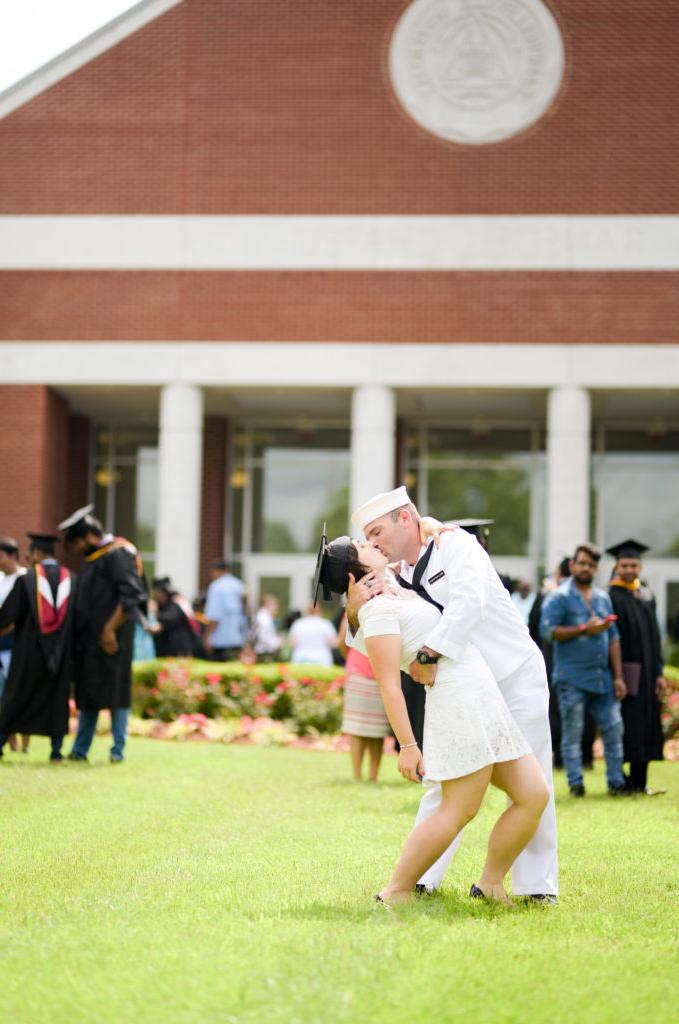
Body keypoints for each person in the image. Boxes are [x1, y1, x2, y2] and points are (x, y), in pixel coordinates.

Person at [346, 488, 558, 904]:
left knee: (534, 783)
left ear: (406, 519)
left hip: (512, 675)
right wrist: (353, 609)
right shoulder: (395, 573)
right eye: (366, 539)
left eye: (376, 532)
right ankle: (421, 881)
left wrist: (429, 652)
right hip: (463, 687)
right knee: (447, 786)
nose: (373, 544)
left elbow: (468, 603)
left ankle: (536, 887)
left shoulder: (456, 544)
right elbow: (373, 635)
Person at [58, 505, 147, 763]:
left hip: (112, 639)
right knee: (89, 693)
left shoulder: (118, 554)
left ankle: (118, 750)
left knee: (117, 692)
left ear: (88, 536)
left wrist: (109, 628)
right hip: (91, 641)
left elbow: (130, 595)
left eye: (76, 543)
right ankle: (80, 750)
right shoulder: (96, 558)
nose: (75, 550)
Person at [540, 543, 628, 798]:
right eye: (582, 563)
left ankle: (616, 783)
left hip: (603, 678)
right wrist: (582, 630)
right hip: (572, 678)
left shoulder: (602, 598)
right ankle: (576, 784)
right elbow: (548, 632)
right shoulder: (559, 597)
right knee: (573, 733)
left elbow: (614, 638)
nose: (586, 568)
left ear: (596, 569)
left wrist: (619, 676)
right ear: (572, 565)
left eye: (591, 565)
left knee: (614, 728)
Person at [0, 533, 74, 762]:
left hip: (28, 654)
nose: (29, 559)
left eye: (31, 555)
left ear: (39, 554)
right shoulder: (73, 579)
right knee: (57, 699)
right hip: (61, 655)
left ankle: (0, 744)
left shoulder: (27, 580)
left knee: (16, 696)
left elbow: (7, 617)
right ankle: (56, 751)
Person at [606, 539, 667, 796]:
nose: (630, 569)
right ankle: (622, 781)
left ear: (640, 566)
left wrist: (659, 672)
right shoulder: (611, 596)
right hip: (626, 673)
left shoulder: (646, 595)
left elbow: (655, 636)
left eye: (634, 565)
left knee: (647, 724)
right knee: (626, 724)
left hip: (648, 673)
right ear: (617, 567)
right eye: (625, 565)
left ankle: (641, 782)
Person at [528, 558, 596, 770]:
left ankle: (559, 756)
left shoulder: (549, 595)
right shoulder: (590, 596)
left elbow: (533, 628)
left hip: (553, 659)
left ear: (558, 573)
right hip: (585, 661)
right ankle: (586, 756)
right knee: (584, 707)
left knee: (556, 707)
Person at [338, 614, 390, 782]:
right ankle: (357, 776)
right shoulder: (354, 609)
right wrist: (354, 661)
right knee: (357, 728)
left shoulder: (388, 608)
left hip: (382, 673)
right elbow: (342, 641)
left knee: (377, 729)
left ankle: (373, 776)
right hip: (359, 672)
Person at [0, 536, 29, 752]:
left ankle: (25, 743)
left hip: (16, 646)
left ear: (11, 556)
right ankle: (10, 742)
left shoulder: (26, 579)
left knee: (18, 692)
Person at [204, 560, 247, 661]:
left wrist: (207, 637)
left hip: (220, 639)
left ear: (218, 571)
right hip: (238, 637)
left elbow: (214, 616)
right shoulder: (239, 585)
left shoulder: (216, 587)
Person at [150, 576, 199, 657]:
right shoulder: (161, 606)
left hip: (180, 648)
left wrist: (155, 613)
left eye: (159, 592)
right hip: (167, 648)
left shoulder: (175, 604)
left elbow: (169, 618)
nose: (158, 595)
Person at [251, 594, 282, 662]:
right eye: (275, 605)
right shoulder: (263, 618)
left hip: (264, 650)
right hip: (264, 651)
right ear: (267, 605)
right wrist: (277, 643)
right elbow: (263, 636)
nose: (277, 608)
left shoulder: (264, 616)